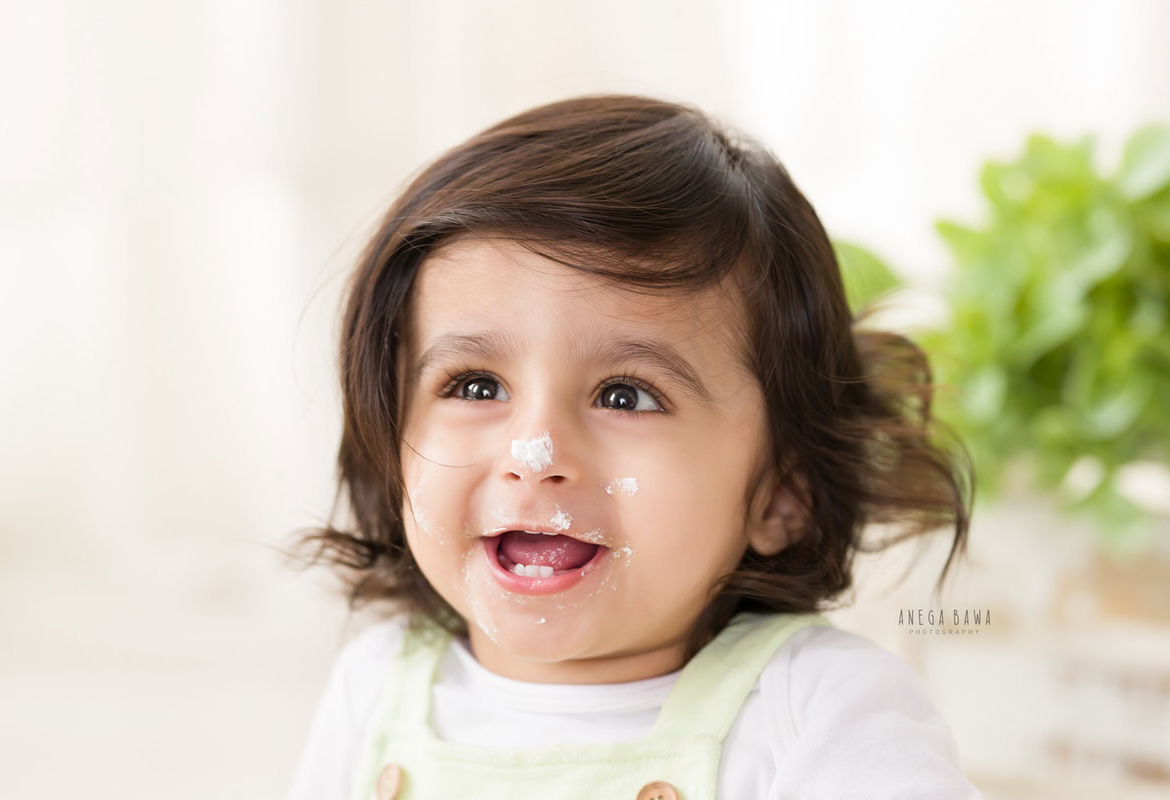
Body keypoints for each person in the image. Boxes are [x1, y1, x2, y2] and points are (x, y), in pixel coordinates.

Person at [287, 94, 982, 799]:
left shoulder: (819, 712)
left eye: (625, 396)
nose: (535, 452)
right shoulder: (374, 691)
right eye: (474, 385)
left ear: (782, 495)